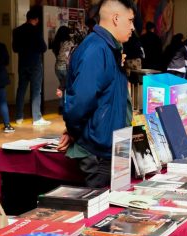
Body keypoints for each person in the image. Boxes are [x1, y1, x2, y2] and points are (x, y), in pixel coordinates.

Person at [57, 0, 136, 188]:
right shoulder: (96, 49)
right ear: (116, 18)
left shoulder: (109, 49)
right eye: (130, 20)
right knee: (97, 209)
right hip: (98, 151)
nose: (133, 27)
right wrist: (75, 132)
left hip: (112, 146)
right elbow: (81, 102)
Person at [12, 9, 50, 126]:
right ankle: (37, 118)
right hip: (35, 64)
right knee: (36, 91)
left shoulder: (17, 31)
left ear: (27, 18)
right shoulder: (35, 31)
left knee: (21, 90)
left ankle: (19, 117)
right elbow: (44, 48)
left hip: (23, 63)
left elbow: (15, 49)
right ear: (36, 20)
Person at [51, 26, 74, 114]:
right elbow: (70, 55)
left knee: (62, 86)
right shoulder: (68, 43)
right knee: (67, 87)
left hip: (57, 68)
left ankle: (61, 106)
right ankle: (65, 107)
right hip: (65, 68)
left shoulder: (56, 42)